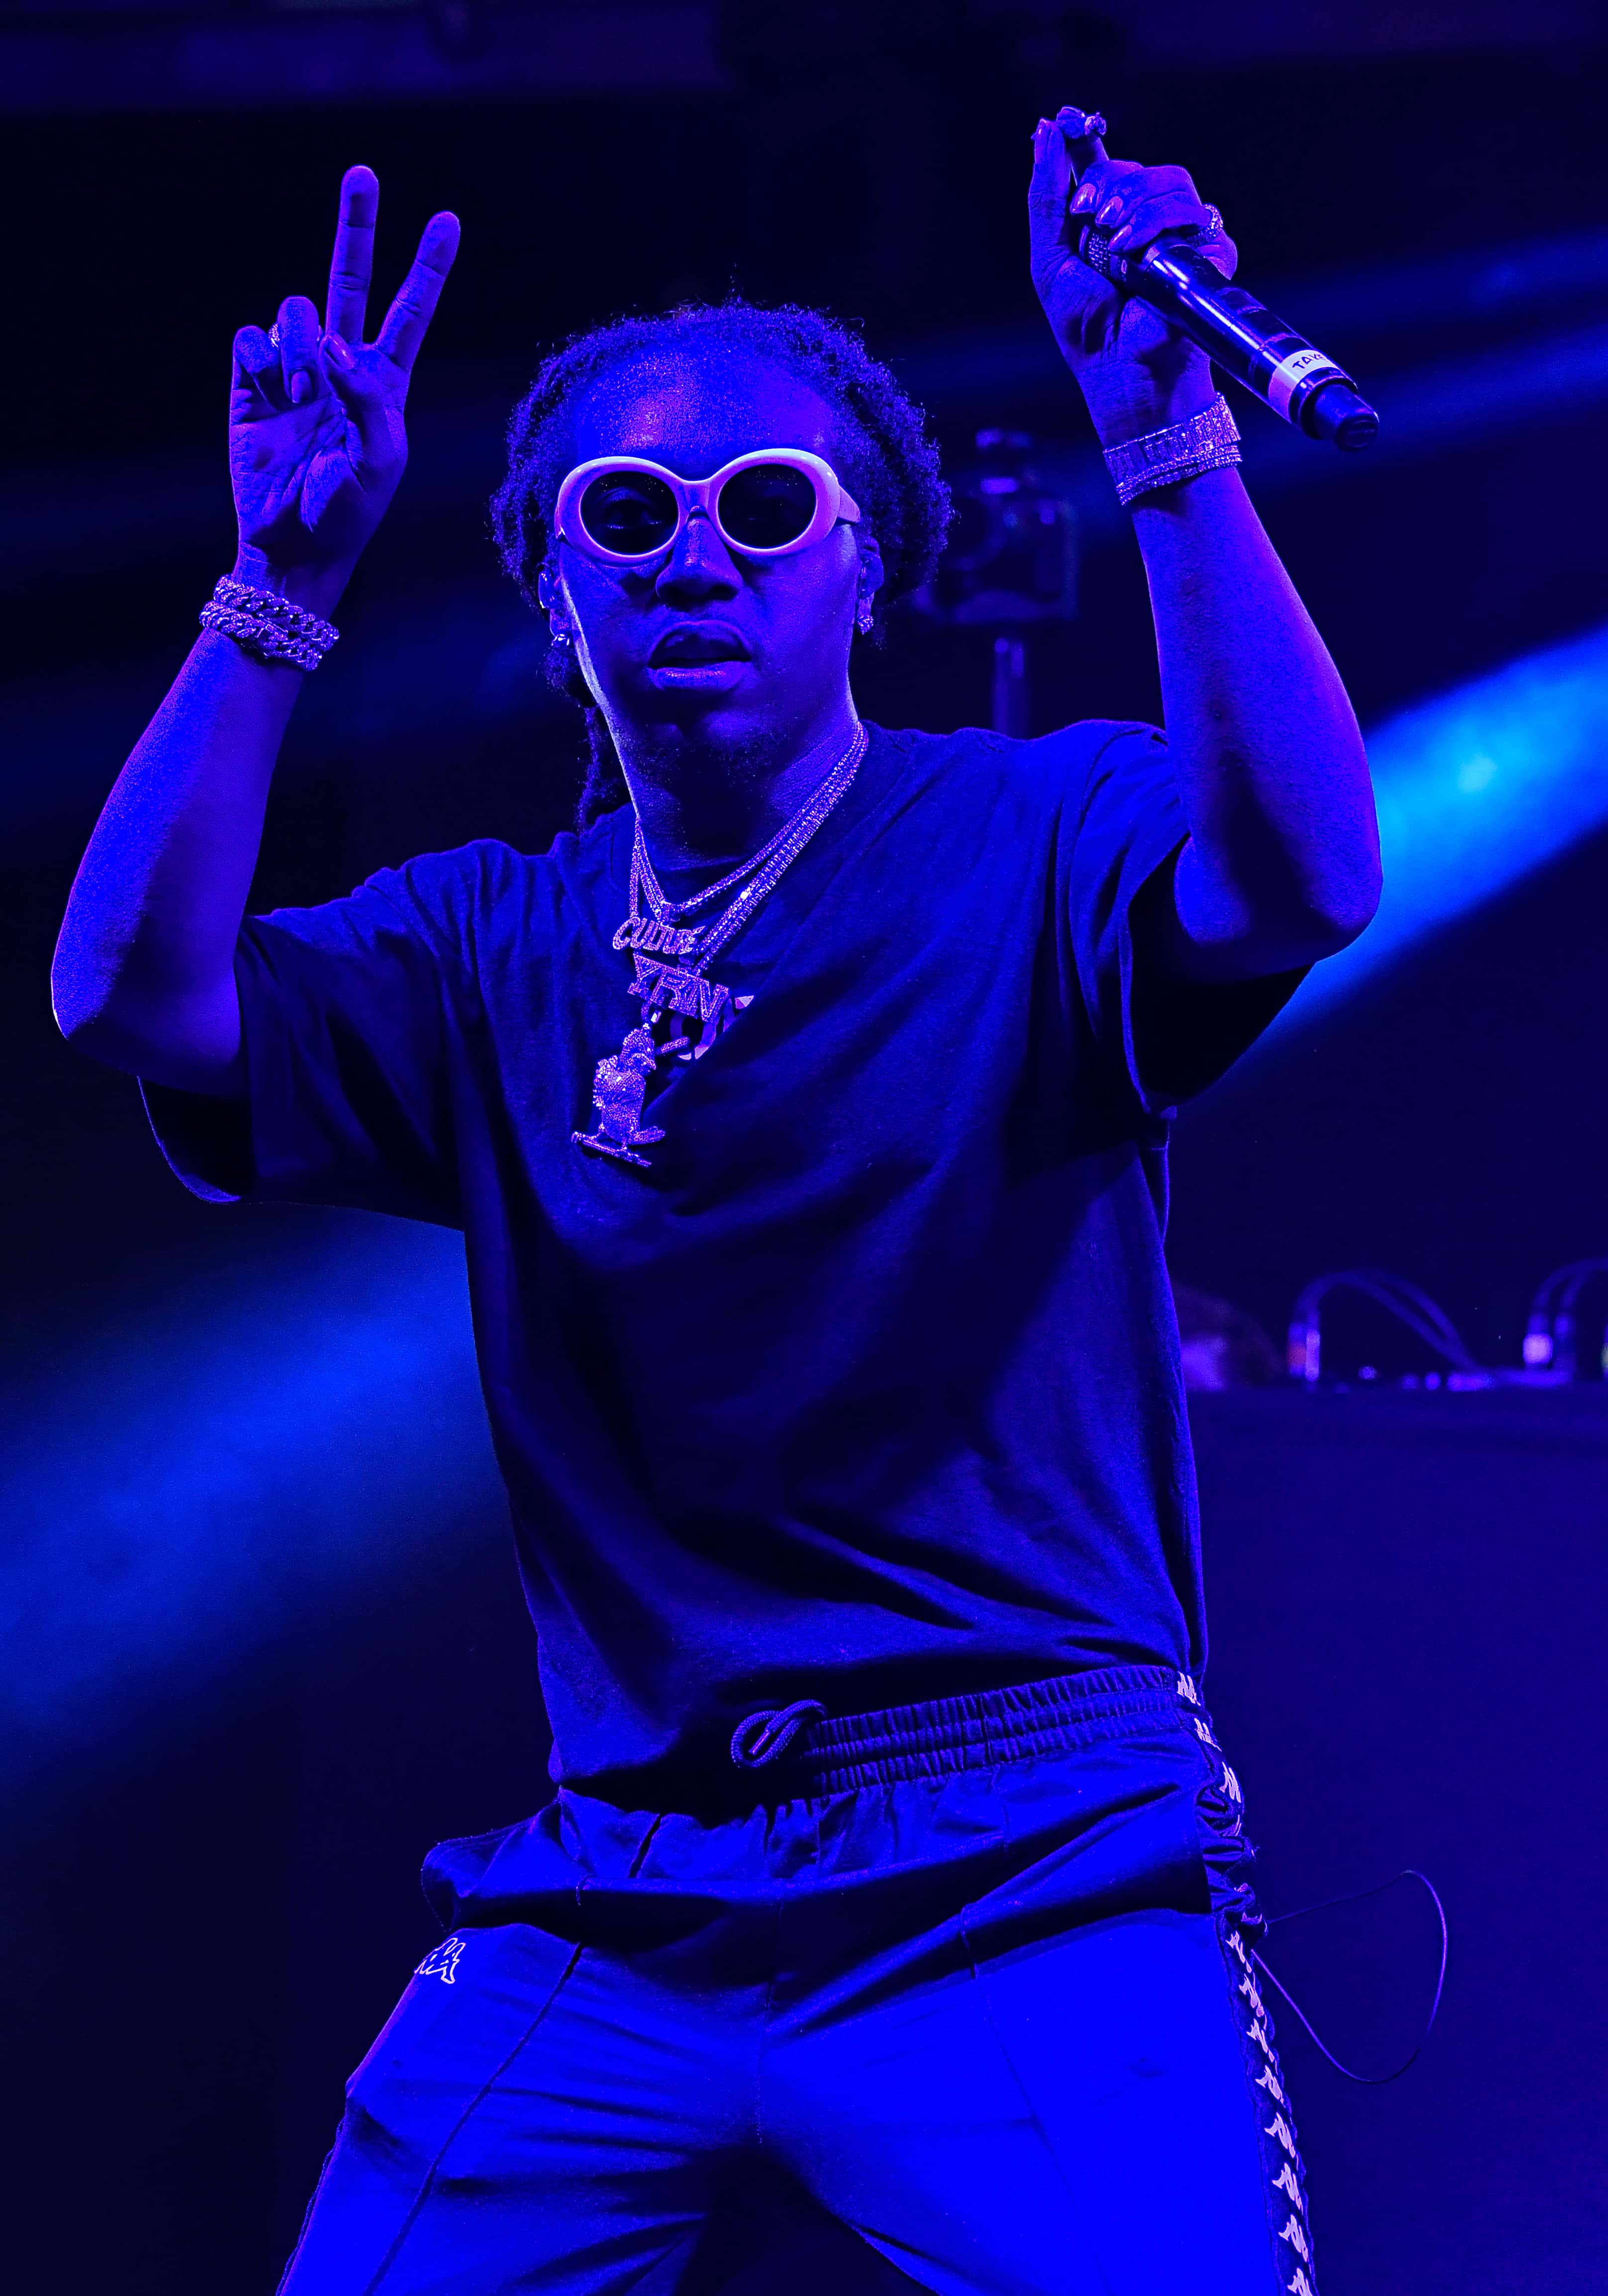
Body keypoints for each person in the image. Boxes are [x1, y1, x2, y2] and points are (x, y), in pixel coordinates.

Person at [52, 104, 1378, 2296]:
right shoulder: (484, 939)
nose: (695, 555)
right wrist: (276, 587)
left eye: (766, 505)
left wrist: (1172, 448)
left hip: (1025, 1851)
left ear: (870, 565)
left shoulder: (1033, 834)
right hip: (623, 1880)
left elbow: (1301, 879)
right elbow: (132, 994)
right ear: (554, 593)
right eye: (626, 513)